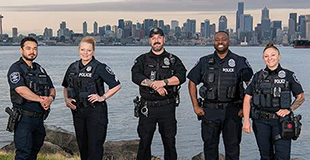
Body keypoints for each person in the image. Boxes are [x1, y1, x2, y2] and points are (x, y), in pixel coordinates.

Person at [187, 31, 253, 160]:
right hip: (210, 111)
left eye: (223, 39)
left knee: (233, 147)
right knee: (210, 146)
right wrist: (195, 106)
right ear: (213, 42)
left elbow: (251, 86)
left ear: (229, 42)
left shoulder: (239, 61)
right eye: (217, 39)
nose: (220, 42)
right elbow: (192, 82)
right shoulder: (204, 61)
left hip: (233, 111)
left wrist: (245, 110)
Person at [242, 42, 305, 160]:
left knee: (283, 157)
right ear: (263, 58)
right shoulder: (257, 76)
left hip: (282, 122)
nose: (269, 58)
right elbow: (247, 98)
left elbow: (300, 97)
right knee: (265, 156)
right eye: (266, 56)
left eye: (273, 55)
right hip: (261, 122)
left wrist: (289, 109)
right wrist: (246, 121)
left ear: (279, 56)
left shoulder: (288, 75)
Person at [131, 27, 186, 160]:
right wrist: (154, 85)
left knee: (169, 142)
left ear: (164, 39)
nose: (156, 41)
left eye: (159, 38)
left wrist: (164, 82)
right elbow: (135, 76)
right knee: (144, 142)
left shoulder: (173, 60)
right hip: (147, 107)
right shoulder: (142, 59)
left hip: (167, 106)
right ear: (149, 41)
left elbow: (182, 77)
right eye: (153, 38)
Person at [62, 36, 121, 160]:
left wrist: (102, 97)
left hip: (96, 112)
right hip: (78, 112)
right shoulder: (72, 67)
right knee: (83, 147)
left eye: (88, 50)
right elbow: (65, 86)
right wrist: (66, 100)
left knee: (94, 148)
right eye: (83, 50)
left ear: (93, 51)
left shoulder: (100, 67)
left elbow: (116, 85)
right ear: (78, 50)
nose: (85, 53)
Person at [7, 37, 56, 160]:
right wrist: (41, 99)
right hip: (24, 119)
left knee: (34, 153)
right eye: (28, 48)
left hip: (39, 119)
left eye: (35, 48)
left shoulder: (40, 69)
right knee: (23, 153)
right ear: (21, 50)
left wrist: (50, 98)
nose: (32, 51)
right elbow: (21, 90)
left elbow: (52, 88)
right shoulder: (16, 68)